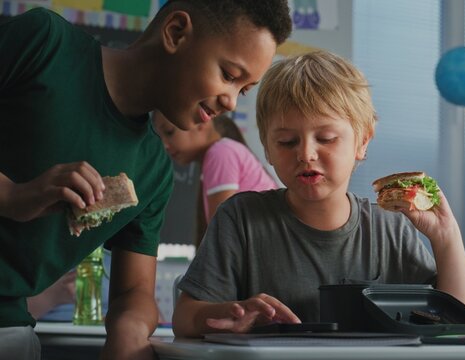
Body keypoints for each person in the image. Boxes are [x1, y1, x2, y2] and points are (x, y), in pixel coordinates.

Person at [0, 0, 292, 358]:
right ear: (175, 33)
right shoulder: (44, 44)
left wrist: (129, 332)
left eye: (244, 89)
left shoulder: (153, 169)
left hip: (10, 332)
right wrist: (13, 195)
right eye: (229, 75)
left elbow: (133, 293)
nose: (231, 102)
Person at [172, 50, 465, 337]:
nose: (306, 154)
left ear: (363, 141)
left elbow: (457, 322)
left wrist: (446, 236)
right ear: (266, 147)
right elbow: (185, 317)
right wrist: (232, 312)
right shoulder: (241, 219)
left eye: (326, 138)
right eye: (288, 142)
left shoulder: (390, 228)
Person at [153, 111, 279, 247]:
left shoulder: (220, 153)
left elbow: (222, 236)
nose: (165, 145)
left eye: (169, 132)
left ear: (201, 122)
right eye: (160, 137)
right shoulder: (222, 151)